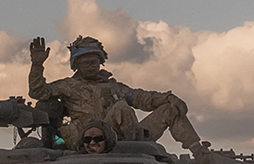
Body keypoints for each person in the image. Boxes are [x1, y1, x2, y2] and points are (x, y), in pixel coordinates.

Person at [27, 35, 206, 152]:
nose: (91, 65)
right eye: (85, 62)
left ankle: (199, 151)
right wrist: (37, 65)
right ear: (76, 65)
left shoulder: (114, 87)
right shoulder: (67, 86)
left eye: (94, 61)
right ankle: (133, 150)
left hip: (130, 139)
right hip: (93, 139)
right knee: (121, 107)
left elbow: (141, 98)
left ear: (101, 62)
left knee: (170, 108)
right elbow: (38, 91)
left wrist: (168, 98)